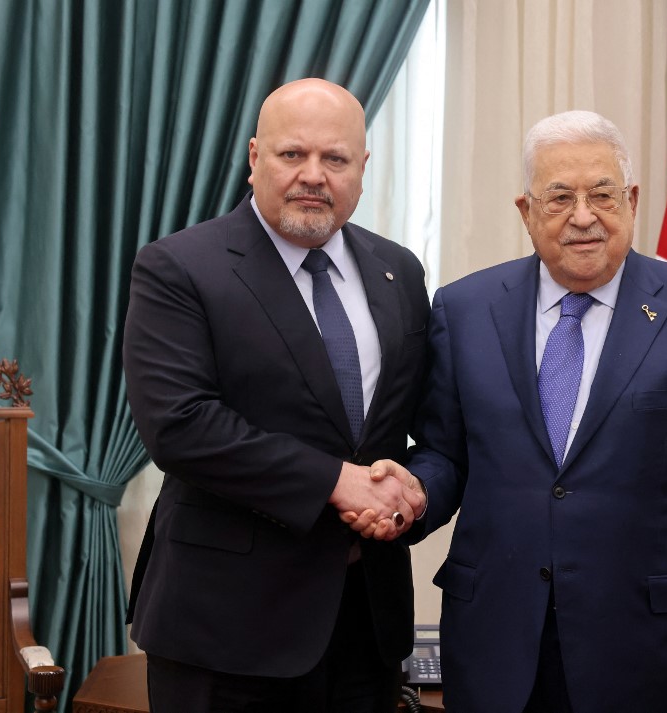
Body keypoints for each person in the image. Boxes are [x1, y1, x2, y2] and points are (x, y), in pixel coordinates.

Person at [355, 110, 667, 713]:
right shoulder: (464, 308)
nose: (583, 216)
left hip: (648, 649)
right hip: (497, 639)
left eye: (601, 194)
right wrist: (414, 492)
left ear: (630, 200)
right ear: (526, 212)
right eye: (559, 198)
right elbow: (447, 453)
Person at [122, 78, 429, 713]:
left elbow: (414, 419)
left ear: (363, 168)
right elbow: (181, 426)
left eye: (335, 159)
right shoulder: (179, 267)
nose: (313, 176)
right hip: (225, 627)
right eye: (293, 155)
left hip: (366, 622)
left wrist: (409, 492)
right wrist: (334, 481)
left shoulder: (399, 271)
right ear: (256, 156)